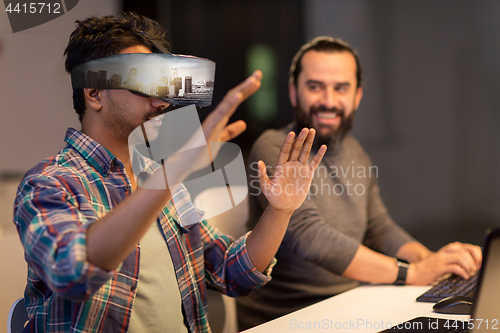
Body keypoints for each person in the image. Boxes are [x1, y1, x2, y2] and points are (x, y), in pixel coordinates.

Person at [13, 13, 326, 333]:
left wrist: (280, 210)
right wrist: (174, 170)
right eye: (141, 82)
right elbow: (73, 272)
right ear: (94, 93)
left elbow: (232, 272)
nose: (161, 101)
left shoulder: (161, 179)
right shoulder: (49, 183)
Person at [237, 36, 482, 329]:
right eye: (315, 87)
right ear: (293, 92)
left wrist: (433, 261)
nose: (328, 101)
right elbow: (309, 237)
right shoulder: (276, 146)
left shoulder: (355, 151)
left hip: (352, 305)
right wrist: (411, 273)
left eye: (340, 88)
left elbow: (379, 228)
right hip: (289, 319)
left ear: (357, 96)